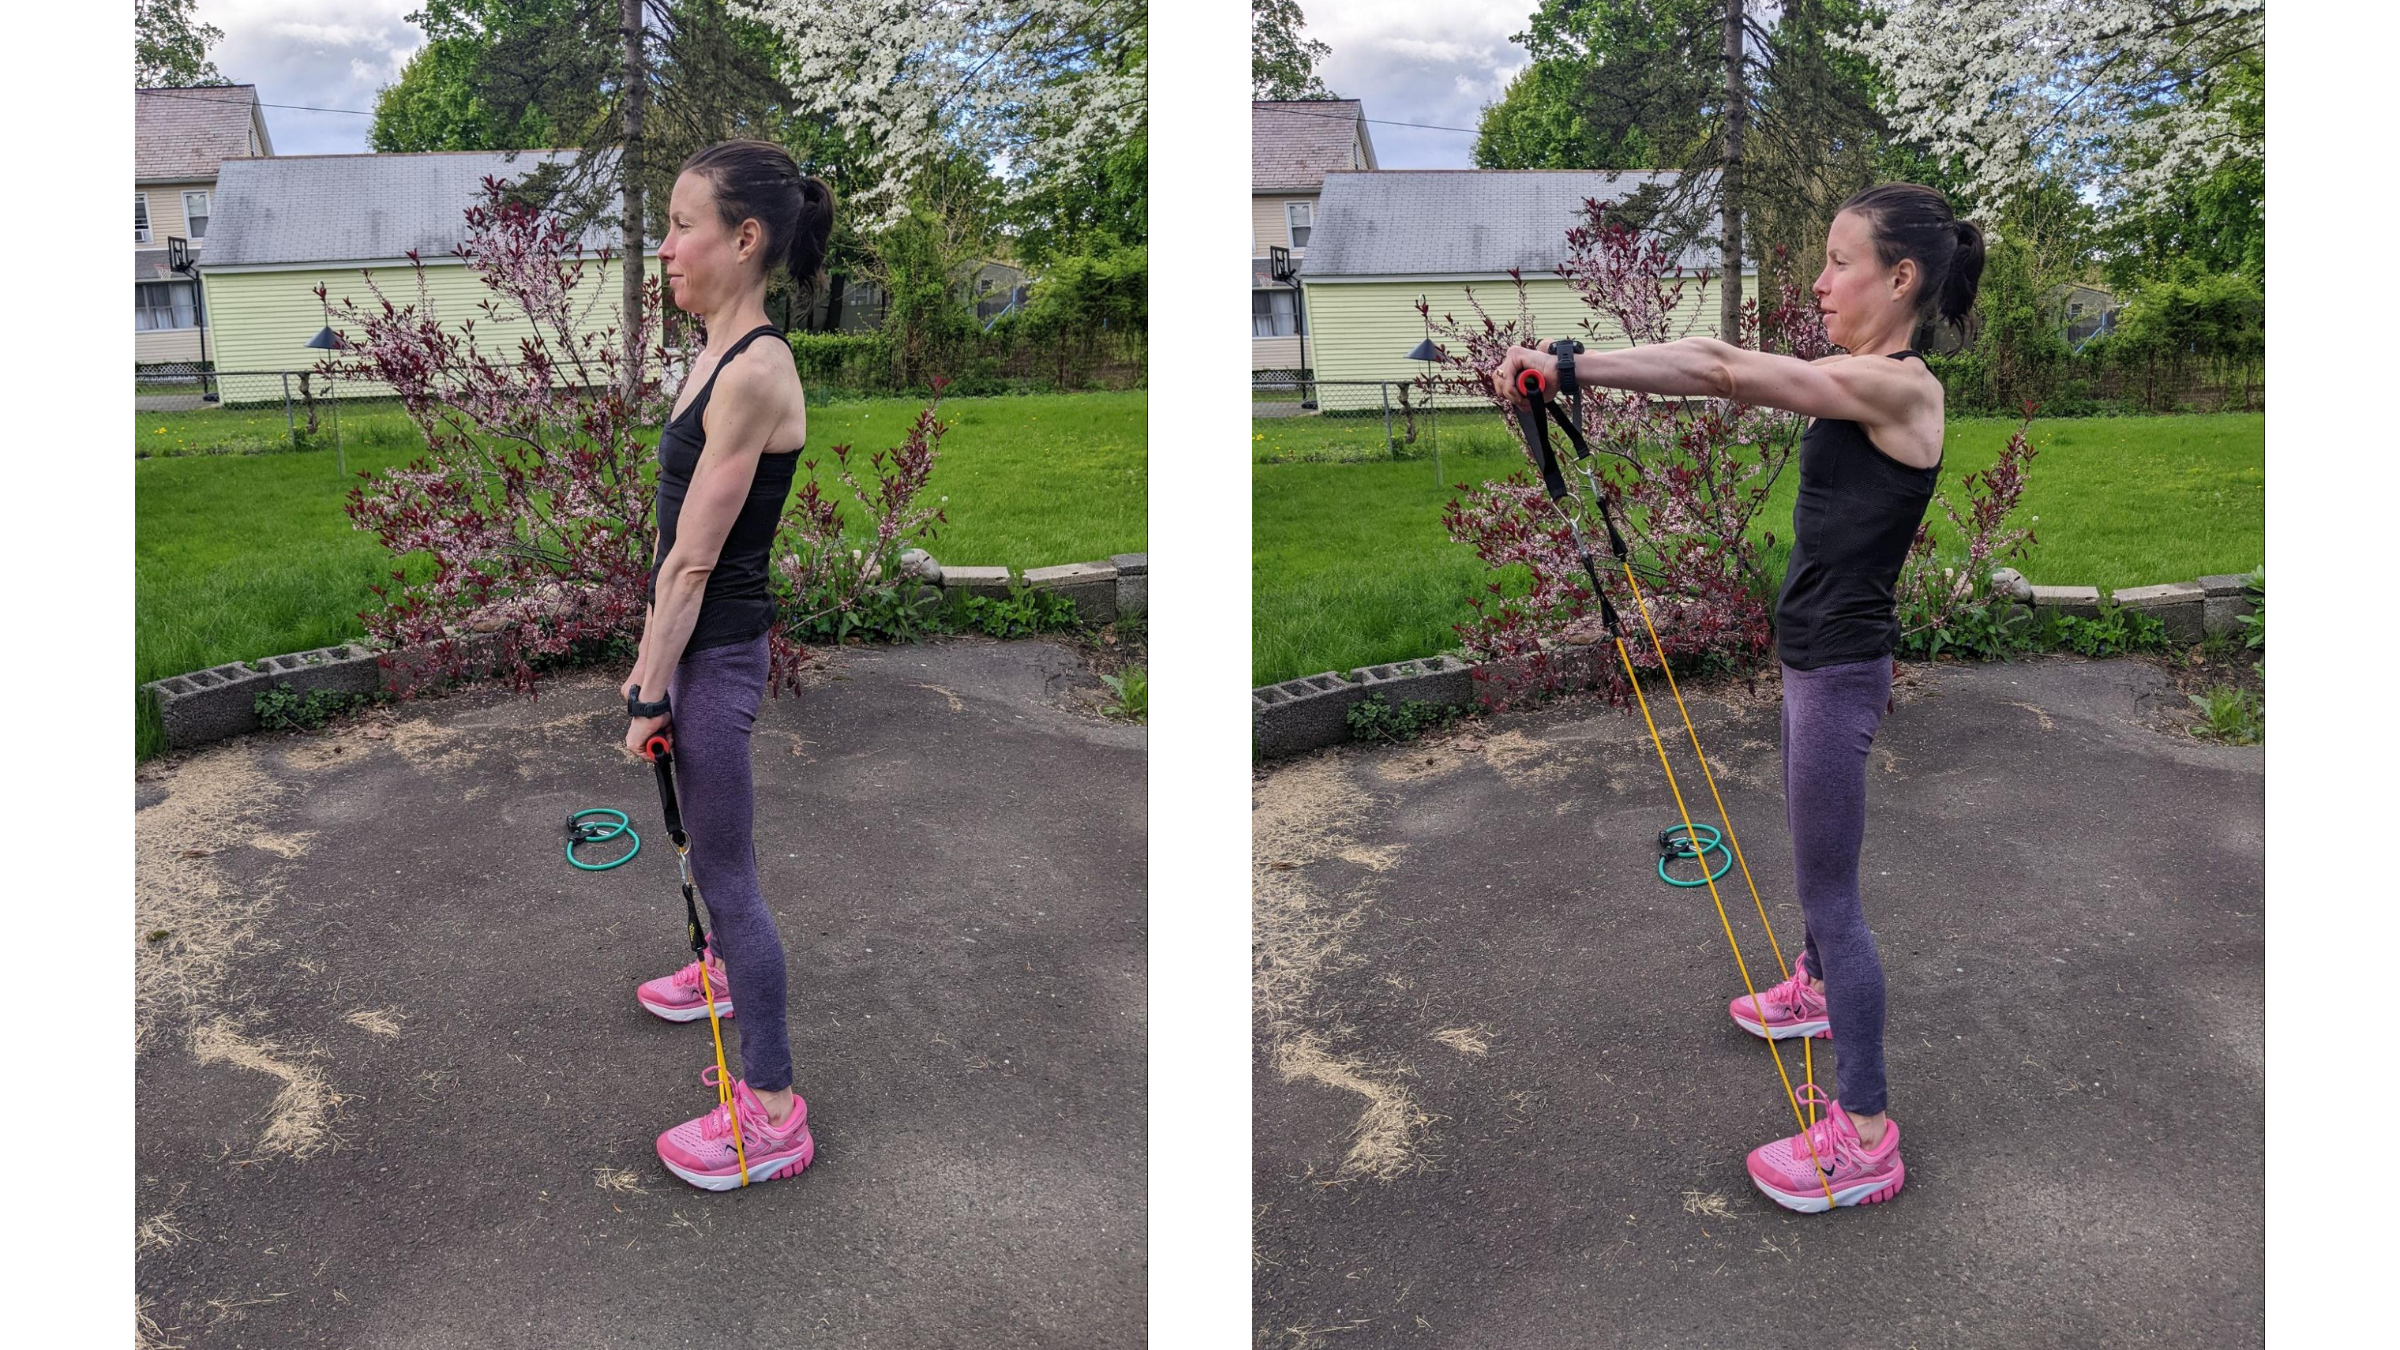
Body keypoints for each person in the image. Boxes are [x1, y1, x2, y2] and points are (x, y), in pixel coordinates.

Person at [1492, 183, 1984, 1213]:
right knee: (1818, 873)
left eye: (1840, 262)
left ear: (1901, 278)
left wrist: (1570, 365)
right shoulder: (1859, 380)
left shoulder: (1901, 390)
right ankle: (1815, 987)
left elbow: (1722, 370)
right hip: (1815, 659)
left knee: (1832, 895)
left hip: (1839, 670)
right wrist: (1571, 364)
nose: (1820, 282)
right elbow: (1716, 364)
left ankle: (1866, 1136)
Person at [619, 139, 835, 1191]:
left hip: (715, 651)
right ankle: (716, 973)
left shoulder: (754, 370)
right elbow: (673, 541)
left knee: (730, 877)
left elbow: (696, 560)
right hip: (691, 642)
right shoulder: (712, 350)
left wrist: (652, 690)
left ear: (745, 239)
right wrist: (647, 664)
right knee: (714, 858)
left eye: (681, 226)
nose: (664, 248)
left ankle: (775, 1113)